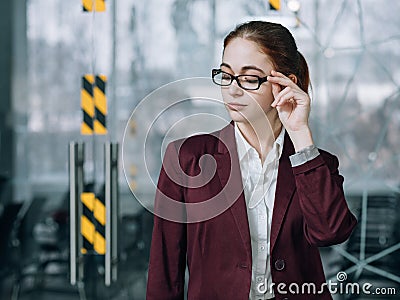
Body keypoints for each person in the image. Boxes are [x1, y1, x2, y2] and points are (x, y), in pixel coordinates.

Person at [146, 21, 357, 300]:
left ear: (285, 85)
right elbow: (165, 269)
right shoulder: (187, 159)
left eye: (249, 78)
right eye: (226, 75)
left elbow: (331, 232)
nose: (232, 90)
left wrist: (300, 134)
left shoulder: (315, 164)